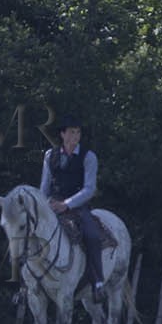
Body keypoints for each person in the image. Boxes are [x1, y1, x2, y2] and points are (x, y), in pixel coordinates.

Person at [40, 115, 109, 299]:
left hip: (78, 206)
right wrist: (47, 204)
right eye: (71, 132)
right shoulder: (50, 155)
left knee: (92, 236)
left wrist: (67, 204)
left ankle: (98, 282)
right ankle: (24, 285)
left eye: (78, 132)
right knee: (28, 230)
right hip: (53, 204)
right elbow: (44, 187)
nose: (75, 136)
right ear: (62, 134)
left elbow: (89, 189)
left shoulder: (88, 157)